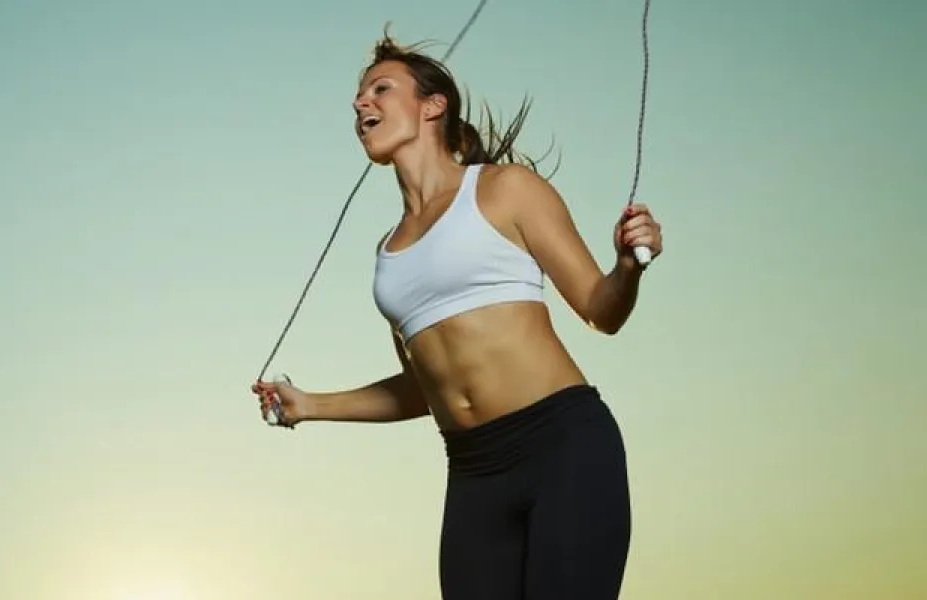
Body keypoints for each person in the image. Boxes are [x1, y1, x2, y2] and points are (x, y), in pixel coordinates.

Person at [250, 30, 662, 600]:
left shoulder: (505, 191)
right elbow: (424, 390)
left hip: (562, 448)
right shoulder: (388, 254)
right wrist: (311, 405)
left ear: (433, 105)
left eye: (379, 88)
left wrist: (627, 267)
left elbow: (602, 310)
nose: (359, 102)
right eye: (359, 95)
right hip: (473, 473)